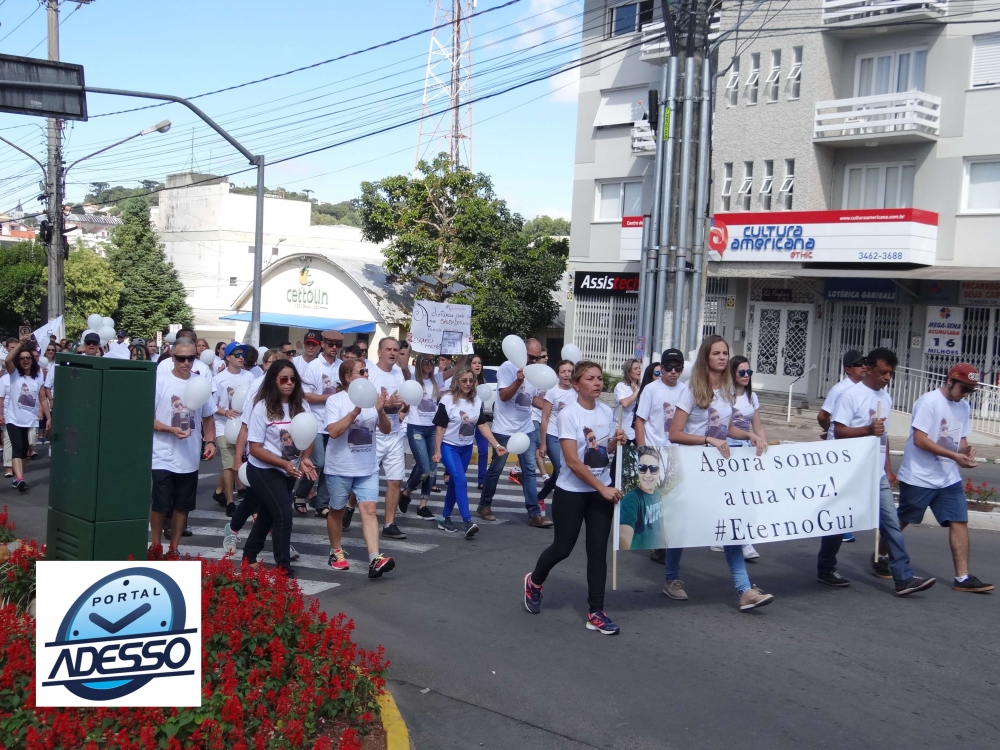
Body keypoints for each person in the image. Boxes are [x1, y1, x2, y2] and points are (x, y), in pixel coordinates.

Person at [667, 335, 773, 611]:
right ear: (706, 357)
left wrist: (750, 434)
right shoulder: (689, 391)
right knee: (683, 526)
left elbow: (727, 430)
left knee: (731, 523)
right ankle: (671, 578)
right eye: (716, 353)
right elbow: (675, 433)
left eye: (725, 353)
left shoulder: (728, 391)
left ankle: (744, 589)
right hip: (692, 467)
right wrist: (707, 440)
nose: (722, 357)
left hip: (719, 469)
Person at [523, 360, 628, 635]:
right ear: (578, 383)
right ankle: (534, 581)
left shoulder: (606, 411)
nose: (597, 383)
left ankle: (596, 611)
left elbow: (601, 449)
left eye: (599, 379)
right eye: (591, 379)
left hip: (599, 491)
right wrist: (601, 488)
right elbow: (571, 461)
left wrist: (617, 441)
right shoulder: (569, 414)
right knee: (563, 548)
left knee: (597, 551)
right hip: (572, 492)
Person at [831, 347, 936, 596]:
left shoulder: (886, 398)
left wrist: (887, 468)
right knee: (839, 521)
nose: (886, 378)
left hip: (875, 473)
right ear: (868, 368)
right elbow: (839, 431)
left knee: (891, 523)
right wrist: (867, 430)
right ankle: (826, 567)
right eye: (882, 372)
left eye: (890, 373)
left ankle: (903, 577)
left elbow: (884, 437)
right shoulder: (850, 395)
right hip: (850, 471)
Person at [896, 364, 992, 592]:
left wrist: (967, 451)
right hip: (919, 476)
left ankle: (963, 577)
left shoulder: (963, 406)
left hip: (948, 478)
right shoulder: (929, 402)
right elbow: (920, 439)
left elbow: (961, 440)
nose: (966, 394)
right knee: (903, 520)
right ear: (950, 381)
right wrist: (953, 455)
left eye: (971, 390)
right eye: (964, 388)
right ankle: (880, 554)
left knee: (959, 521)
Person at [241, 360, 317, 576]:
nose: (289, 383)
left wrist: (305, 458)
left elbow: (309, 434)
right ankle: (283, 566)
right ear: (273, 381)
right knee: (284, 514)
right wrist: (284, 463)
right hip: (262, 470)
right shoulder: (262, 407)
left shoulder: (301, 405)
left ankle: (248, 557)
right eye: (284, 379)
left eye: (293, 379)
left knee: (267, 514)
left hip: (289, 470)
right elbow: (254, 448)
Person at [323, 358, 395, 577]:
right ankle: (336, 551)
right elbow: (334, 432)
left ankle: (374, 558)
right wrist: (355, 411)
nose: (366, 374)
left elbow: (386, 430)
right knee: (337, 510)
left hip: (367, 467)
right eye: (361, 371)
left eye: (366, 371)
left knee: (370, 510)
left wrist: (381, 411)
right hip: (340, 467)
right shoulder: (335, 401)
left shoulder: (373, 399)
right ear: (348, 377)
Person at [149, 338, 217, 556]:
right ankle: (155, 544)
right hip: (161, 453)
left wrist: (210, 441)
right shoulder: (160, 381)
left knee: (182, 506)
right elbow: (146, 418)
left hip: (188, 456)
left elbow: (208, 417)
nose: (186, 363)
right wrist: (170, 430)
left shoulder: (200, 383)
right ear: (172, 357)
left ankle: (174, 548)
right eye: (181, 358)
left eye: (191, 358)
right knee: (160, 504)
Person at [478, 337, 552, 527]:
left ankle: (534, 514)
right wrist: (519, 381)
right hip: (504, 429)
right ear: (522, 352)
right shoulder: (507, 367)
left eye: (537, 359)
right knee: (496, 468)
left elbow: (533, 400)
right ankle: (484, 505)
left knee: (529, 470)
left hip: (526, 428)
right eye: (530, 357)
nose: (533, 362)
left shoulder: (534, 371)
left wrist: (553, 407)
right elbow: (503, 396)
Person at [432, 365, 507, 537]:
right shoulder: (447, 400)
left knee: (455, 483)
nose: (467, 384)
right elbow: (440, 429)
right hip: (448, 447)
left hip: (465, 448)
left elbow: (482, 425)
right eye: (464, 380)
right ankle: (467, 521)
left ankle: (445, 518)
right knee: (461, 481)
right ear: (457, 381)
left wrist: (496, 445)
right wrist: (437, 451)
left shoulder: (476, 401)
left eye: (471, 381)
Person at [634, 350, 686, 564]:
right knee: (656, 500)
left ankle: (668, 540)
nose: (673, 372)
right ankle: (658, 543)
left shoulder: (686, 391)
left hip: (679, 452)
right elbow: (640, 421)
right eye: (668, 367)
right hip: (655, 451)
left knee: (675, 501)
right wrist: (641, 451)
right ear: (661, 368)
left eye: (678, 368)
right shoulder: (651, 389)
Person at [816, 350, 867, 544]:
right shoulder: (840, 389)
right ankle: (835, 526)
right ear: (848, 369)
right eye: (858, 364)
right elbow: (822, 415)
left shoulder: (865, 390)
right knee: (836, 488)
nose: (863, 366)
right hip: (837, 447)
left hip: (853, 448)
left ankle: (841, 523)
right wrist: (830, 431)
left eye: (865, 363)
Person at [722, 355, 767, 561]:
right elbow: (727, 428)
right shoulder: (725, 396)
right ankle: (743, 541)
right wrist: (749, 436)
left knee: (746, 495)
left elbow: (757, 425)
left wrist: (763, 443)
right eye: (742, 372)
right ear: (733, 373)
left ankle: (739, 537)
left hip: (746, 449)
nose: (746, 376)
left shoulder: (752, 397)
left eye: (749, 372)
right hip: (728, 449)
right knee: (734, 496)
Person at [367, 337, 408, 539]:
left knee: (395, 480)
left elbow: (403, 402)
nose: (392, 353)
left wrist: (403, 409)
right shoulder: (370, 372)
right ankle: (349, 507)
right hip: (374, 433)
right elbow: (371, 404)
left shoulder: (398, 372)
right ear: (379, 352)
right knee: (364, 476)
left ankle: (389, 523)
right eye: (388, 349)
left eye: (395, 350)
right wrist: (388, 403)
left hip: (394, 433)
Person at [302, 330, 344, 517]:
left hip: (334, 423)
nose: (334, 348)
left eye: (337, 345)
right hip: (316, 422)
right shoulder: (313, 366)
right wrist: (330, 397)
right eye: (330, 344)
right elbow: (306, 395)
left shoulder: (343, 366)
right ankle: (301, 493)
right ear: (323, 345)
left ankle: (322, 504)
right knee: (318, 462)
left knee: (330, 465)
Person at [211, 342, 254, 513]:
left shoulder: (249, 377)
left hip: (244, 426)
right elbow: (212, 406)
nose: (241, 357)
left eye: (242, 354)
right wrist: (225, 412)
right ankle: (230, 501)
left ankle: (219, 492)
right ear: (227, 357)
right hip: (224, 426)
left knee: (240, 461)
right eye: (236, 355)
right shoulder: (218, 379)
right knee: (229, 464)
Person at [401, 354, 444, 520]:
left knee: (432, 469)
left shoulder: (437, 379)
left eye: (431, 361)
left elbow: (458, 366)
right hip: (416, 427)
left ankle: (423, 505)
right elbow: (404, 365)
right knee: (424, 468)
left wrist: (465, 347)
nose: (429, 364)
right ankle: (405, 493)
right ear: (419, 362)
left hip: (432, 428)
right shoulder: (412, 378)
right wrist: (410, 345)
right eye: (425, 361)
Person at [3, 336, 45, 493]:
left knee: (25, 449)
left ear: (32, 360)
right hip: (13, 419)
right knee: (17, 447)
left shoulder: (37, 377)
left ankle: (17, 477)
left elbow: (42, 398)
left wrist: (48, 417)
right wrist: (20, 344)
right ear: (18, 361)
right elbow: (7, 360)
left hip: (30, 419)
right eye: (22, 358)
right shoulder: (14, 375)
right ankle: (20, 479)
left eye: (28, 358)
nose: (25, 360)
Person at [537, 360, 577, 505]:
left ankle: (539, 497)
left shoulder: (577, 391)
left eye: (570, 371)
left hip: (570, 437)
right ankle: (563, 506)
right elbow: (545, 418)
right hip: (553, 436)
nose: (567, 375)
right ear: (558, 374)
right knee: (562, 471)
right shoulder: (552, 391)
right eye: (563, 371)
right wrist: (543, 444)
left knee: (558, 473)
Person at [618, 446, 667, 550]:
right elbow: (624, 535)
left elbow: (661, 525)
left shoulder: (657, 495)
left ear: (659, 472)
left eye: (653, 469)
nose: (648, 475)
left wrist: (666, 544)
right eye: (643, 468)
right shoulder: (631, 499)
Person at [469, 354, 491, 489]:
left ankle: (482, 480)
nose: (477, 365)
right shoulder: (465, 381)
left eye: (479, 363)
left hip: (480, 419)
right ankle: (451, 473)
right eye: (474, 363)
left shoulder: (482, 381)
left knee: (483, 450)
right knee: (462, 449)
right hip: (466, 420)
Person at [614, 358, 642, 445]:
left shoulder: (642, 387)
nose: (639, 371)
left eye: (639, 368)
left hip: (636, 430)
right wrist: (636, 392)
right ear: (628, 372)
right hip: (623, 429)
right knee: (620, 456)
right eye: (635, 369)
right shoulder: (621, 386)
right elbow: (624, 403)